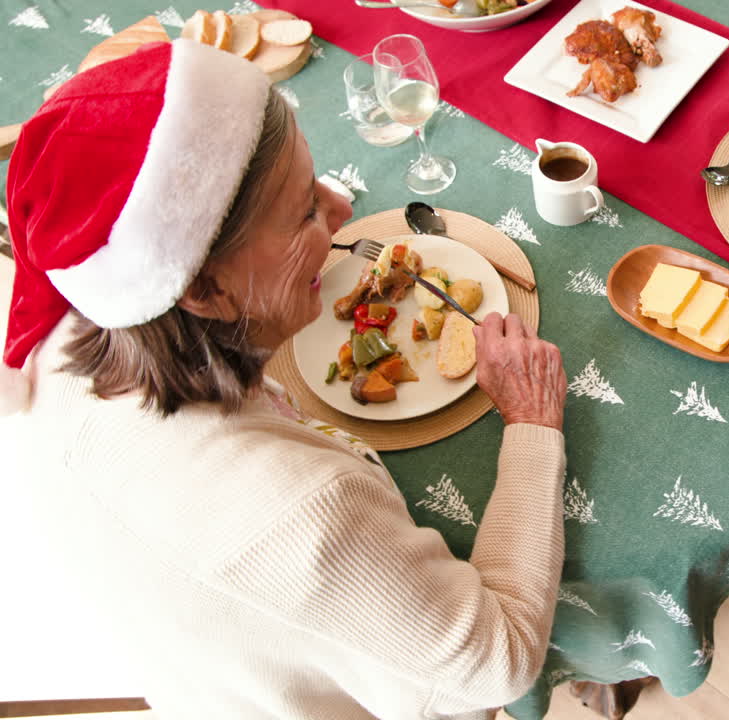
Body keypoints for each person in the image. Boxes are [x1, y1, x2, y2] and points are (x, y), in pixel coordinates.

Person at [2, 40, 568, 719]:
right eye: (304, 210)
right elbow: (500, 659)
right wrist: (534, 424)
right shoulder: (302, 513)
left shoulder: (75, 325)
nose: (340, 211)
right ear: (204, 290)